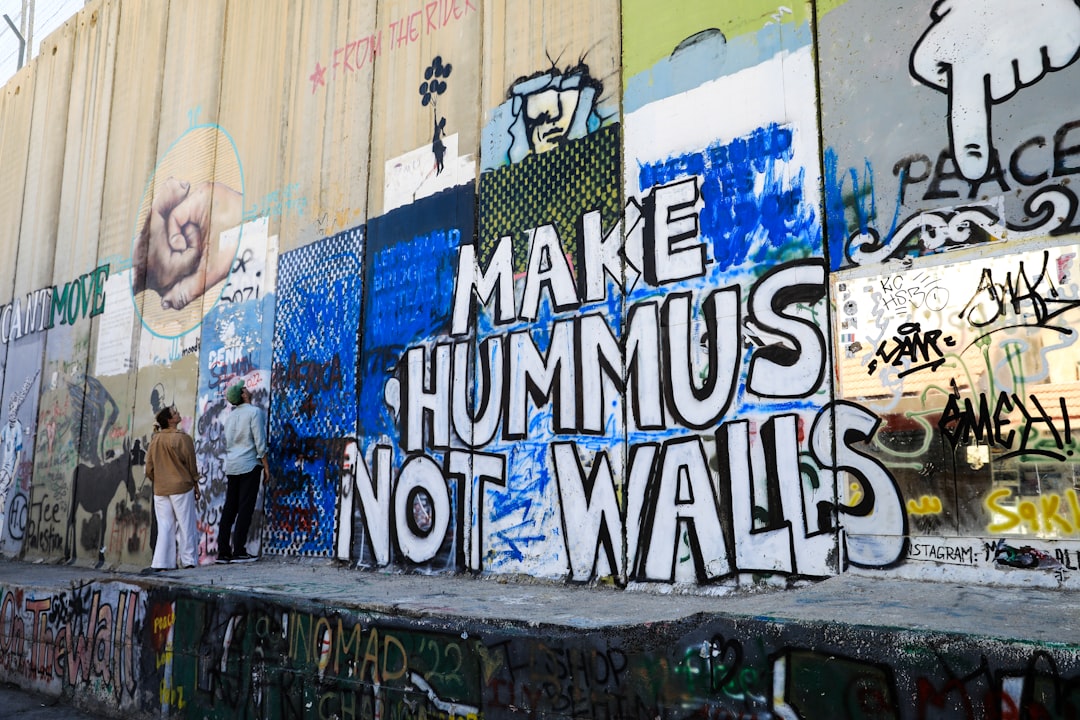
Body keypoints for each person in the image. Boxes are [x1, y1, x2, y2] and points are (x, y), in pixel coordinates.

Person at [217, 382, 271, 563]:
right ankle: (239, 551)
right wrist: (266, 466)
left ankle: (223, 552)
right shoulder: (254, 412)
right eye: (244, 388)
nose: (247, 389)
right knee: (245, 508)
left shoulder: (230, 417)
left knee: (229, 508)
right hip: (249, 465)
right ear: (243, 395)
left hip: (233, 465)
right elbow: (260, 442)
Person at [145, 406, 200, 570]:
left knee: (165, 526)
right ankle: (188, 561)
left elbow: (149, 468)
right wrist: (195, 483)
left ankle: (162, 562)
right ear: (170, 420)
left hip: (160, 489)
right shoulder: (183, 438)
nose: (178, 414)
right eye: (175, 413)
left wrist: (159, 480)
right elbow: (191, 465)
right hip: (181, 487)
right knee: (186, 524)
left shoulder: (155, 439)